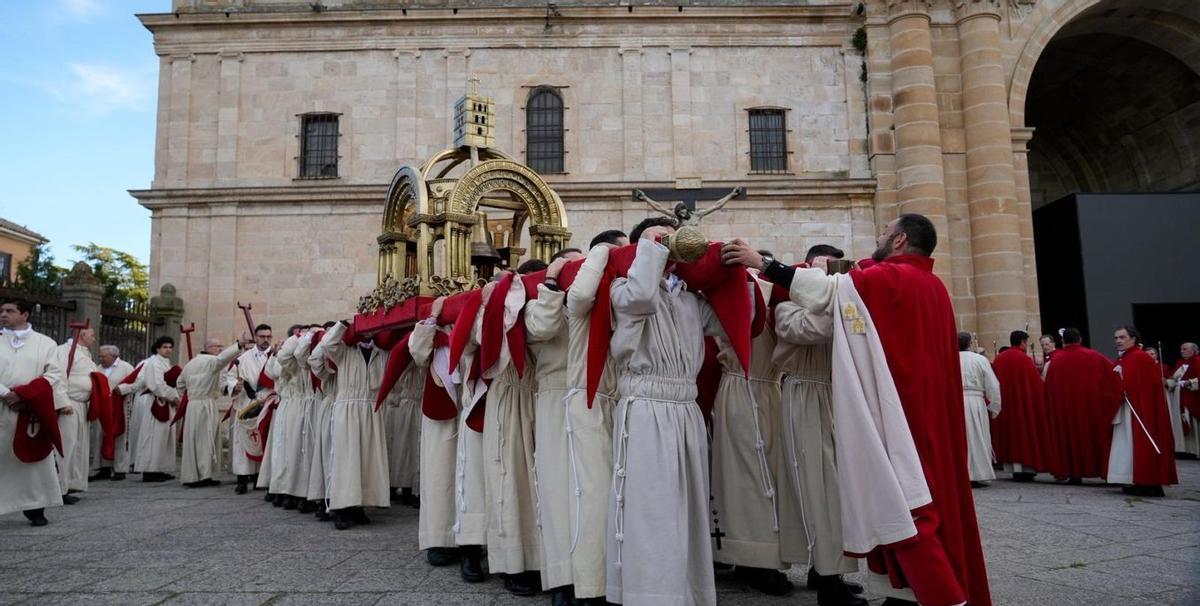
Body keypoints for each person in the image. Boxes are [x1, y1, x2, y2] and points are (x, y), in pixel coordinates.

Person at [723, 214, 992, 606]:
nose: (879, 238)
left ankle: (936, 593)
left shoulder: (892, 278)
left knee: (905, 505)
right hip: (915, 406)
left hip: (901, 410)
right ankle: (901, 591)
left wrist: (763, 263)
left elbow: (831, 293)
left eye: (885, 232)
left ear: (900, 240)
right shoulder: (931, 284)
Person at [606, 218, 726, 606]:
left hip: (686, 407)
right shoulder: (622, 288)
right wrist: (652, 247)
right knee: (651, 507)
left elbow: (732, 319)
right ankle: (649, 595)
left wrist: (732, 267)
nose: (668, 246)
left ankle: (685, 592)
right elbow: (642, 297)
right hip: (646, 404)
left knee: (687, 506)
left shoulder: (690, 298)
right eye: (659, 240)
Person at [771, 244, 866, 606]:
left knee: (837, 488)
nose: (828, 278)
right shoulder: (785, 307)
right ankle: (828, 580)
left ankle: (827, 569)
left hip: (834, 395)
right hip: (805, 393)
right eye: (821, 270)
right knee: (819, 485)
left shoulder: (840, 304)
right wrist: (842, 300)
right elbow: (814, 329)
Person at [525, 248, 587, 605]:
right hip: (554, 395)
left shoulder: (590, 297)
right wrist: (551, 283)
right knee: (556, 490)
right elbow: (542, 328)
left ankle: (592, 576)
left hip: (593, 396)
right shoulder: (537, 303)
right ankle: (562, 578)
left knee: (591, 489)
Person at [479, 263, 544, 596]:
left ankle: (540, 559)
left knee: (537, 485)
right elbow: (483, 339)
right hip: (509, 395)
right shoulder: (493, 306)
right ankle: (512, 563)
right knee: (510, 480)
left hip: (540, 398)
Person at [0, 298, 68, 526]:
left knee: (33, 461)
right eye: (2, 311)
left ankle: (35, 506)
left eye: (10, 311)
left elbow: (54, 374)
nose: (3, 314)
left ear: (25, 314)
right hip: (1, 405)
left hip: (29, 409)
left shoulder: (45, 343)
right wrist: (6, 393)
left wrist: (24, 395)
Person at [316, 321, 389, 529]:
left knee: (366, 460)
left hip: (370, 408)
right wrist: (343, 326)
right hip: (347, 408)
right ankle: (340, 507)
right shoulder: (344, 350)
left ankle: (359, 505)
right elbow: (326, 344)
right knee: (345, 460)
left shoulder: (381, 352)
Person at [1042, 328, 1121, 483]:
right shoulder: (1094, 356)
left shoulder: (1055, 361)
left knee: (1069, 440)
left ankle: (1073, 474)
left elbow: (1048, 389)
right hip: (1089, 409)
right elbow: (1113, 378)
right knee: (1091, 437)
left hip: (1064, 410)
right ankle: (1099, 470)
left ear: (1062, 341)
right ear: (1080, 339)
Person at [1107, 326, 1177, 497]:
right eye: (1116, 338)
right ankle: (1136, 479)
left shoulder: (1140, 357)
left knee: (1141, 444)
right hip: (1127, 408)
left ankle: (1149, 483)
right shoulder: (1125, 358)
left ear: (1133, 338)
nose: (1118, 341)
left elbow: (1144, 387)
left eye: (1122, 337)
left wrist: (1121, 384)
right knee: (1128, 445)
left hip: (1140, 410)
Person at [178, 335, 248, 487]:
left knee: (193, 441)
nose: (220, 349)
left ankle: (192, 475)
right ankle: (204, 476)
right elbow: (222, 359)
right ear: (208, 348)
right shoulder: (211, 361)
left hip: (192, 406)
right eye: (217, 346)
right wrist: (238, 345)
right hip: (206, 404)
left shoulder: (190, 364)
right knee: (205, 439)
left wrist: (191, 395)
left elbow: (180, 384)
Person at [991, 331, 1059, 481]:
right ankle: (1026, 468)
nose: (1027, 346)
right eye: (1026, 343)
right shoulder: (1024, 359)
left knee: (1010, 436)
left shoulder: (999, 359)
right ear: (1022, 342)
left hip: (1006, 405)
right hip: (1023, 405)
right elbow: (1035, 385)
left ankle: (1013, 468)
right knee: (1023, 435)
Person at [54, 327, 99, 501]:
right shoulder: (64, 350)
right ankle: (59, 488)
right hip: (69, 404)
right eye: (92, 334)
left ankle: (70, 484)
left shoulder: (85, 354)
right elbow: (57, 376)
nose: (94, 338)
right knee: (66, 445)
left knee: (77, 446)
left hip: (81, 405)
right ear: (82, 334)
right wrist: (62, 401)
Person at [230, 324, 273, 494]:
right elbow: (230, 377)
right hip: (246, 405)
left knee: (264, 441)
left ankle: (259, 478)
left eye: (268, 336)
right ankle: (242, 480)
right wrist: (235, 386)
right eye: (262, 336)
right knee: (243, 444)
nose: (265, 340)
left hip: (266, 404)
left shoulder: (275, 356)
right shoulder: (243, 359)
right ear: (255, 338)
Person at [135, 336, 181, 482]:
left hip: (166, 402)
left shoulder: (166, 363)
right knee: (153, 437)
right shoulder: (153, 363)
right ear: (158, 348)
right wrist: (173, 397)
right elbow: (156, 385)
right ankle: (150, 470)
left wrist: (175, 396)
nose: (168, 350)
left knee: (164, 437)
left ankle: (160, 468)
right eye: (165, 347)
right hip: (156, 402)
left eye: (170, 347)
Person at [958, 332, 1001, 487]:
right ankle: (979, 474)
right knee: (978, 436)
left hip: (956, 402)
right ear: (970, 343)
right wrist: (995, 406)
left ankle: (962, 473)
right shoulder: (980, 359)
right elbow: (992, 384)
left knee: (962, 438)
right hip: (976, 401)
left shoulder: (949, 358)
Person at [89, 345, 135, 481]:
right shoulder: (97, 368)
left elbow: (138, 383)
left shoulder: (126, 367)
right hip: (103, 407)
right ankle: (104, 468)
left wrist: (123, 389)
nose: (101, 358)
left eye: (103, 356)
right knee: (101, 436)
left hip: (120, 406)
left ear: (113, 356)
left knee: (120, 437)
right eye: (100, 356)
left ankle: (120, 469)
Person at [1167, 342, 1200, 458]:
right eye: (1181, 349)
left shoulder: (1198, 361)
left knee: (1193, 424)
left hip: (1192, 396)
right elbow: (1174, 379)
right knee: (1181, 423)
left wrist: (1190, 382)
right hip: (1179, 397)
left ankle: (1196, 450)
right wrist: (1167, 382)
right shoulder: (1179, 363)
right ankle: (1185, 450)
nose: (1181, 351)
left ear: (1193, 350)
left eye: (1185, 349)